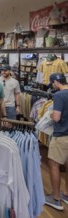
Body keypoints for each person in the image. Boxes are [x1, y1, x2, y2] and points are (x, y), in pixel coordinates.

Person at [45, 73, 68, 210]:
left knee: (54, 164)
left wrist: (50, 114)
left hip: (62, 135)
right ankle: (66, 194)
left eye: (53, 84)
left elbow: (57, 118)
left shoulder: (59, 95)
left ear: (56, 82)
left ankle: (56, 198)